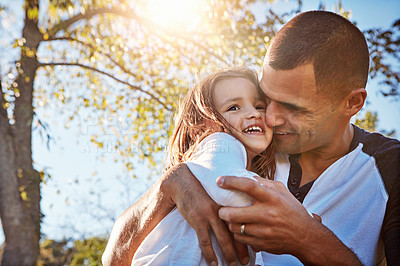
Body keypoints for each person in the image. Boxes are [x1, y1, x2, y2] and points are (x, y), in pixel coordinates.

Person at [103, 11, 400, 266]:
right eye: (266, 98)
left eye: (293, 108)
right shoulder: (251, 147)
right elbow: (114, 258)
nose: (269, 117)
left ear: (352, 103)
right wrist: (169, 186)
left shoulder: (390, 169)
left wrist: (308, 238)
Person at [131, 67, 274, 265]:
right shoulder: (220, 142)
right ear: (203, 126)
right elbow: (233, 189)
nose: (254, 114)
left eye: (259, 106)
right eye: (234, 107)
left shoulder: (234, 162)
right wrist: (299, 218)